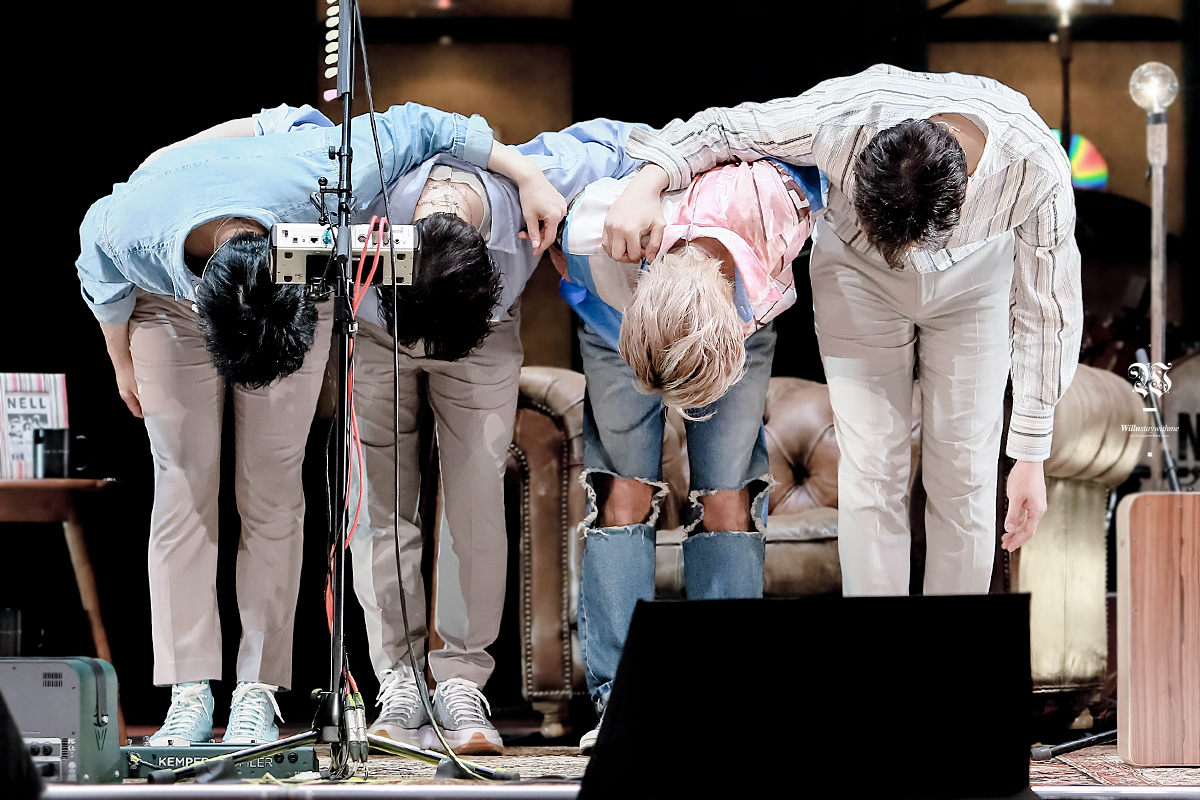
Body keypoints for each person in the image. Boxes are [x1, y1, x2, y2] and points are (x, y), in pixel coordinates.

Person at [76, 102, 564, 746]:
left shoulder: (320, 173)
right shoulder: (127, 229)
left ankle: (257, 691)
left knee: (272, 483)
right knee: (182, 482)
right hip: (163, 305)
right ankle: (188, 693)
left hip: (294, 273)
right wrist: (120, 360)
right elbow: (98, 269)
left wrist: (526, 175)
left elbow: (430, 125)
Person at [604, 64, 1083, 598]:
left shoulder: (1036, 169)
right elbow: (722, 127)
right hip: (858, 269)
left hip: (972, 281)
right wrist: (647, 183)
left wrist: (1031, 455)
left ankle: (951, 649)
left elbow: (1048, 310)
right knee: (871, 470)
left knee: (965, 473)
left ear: (966, 193)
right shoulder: (844, 116)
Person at [252, 109, 647, 754]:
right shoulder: (367, 178)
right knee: (377, 506)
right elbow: (284, 147)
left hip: (483, 341)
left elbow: (630, 142)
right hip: (378, 333)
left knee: (475, 501)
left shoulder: (542, 179)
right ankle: (400, 681)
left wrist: (646, 186)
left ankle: (462, 681)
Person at [552, 156, 818, 753]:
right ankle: (621, 704)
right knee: (624, 492)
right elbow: (558, 257)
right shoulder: (594, 233)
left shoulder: (775, 206)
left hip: (735, 318)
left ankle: (720, 702)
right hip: (619, 321)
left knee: (728, 498)